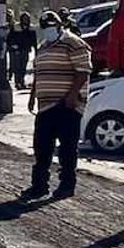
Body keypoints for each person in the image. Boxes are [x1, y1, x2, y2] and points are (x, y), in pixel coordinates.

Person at [21, 11, 92, 200]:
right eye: (45, 27)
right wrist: (32, 95)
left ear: (60, 26)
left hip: (67, 105)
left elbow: (83, 72)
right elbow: (38, 73)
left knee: (67, 148)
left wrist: (72, 96)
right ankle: (39, 185)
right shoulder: (43, 46)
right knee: (41, 147)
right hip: (45, 106)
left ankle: (67, 185)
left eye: (51, 27)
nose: (48, 31)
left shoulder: (74, 43)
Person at [6, 12, 37, 90]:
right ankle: (17, 83)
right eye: (24, 18)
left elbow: (34, 41)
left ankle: (22, 82)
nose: (25, 20)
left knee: (23, 67)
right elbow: (10, 38)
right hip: (17, 50)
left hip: (25, 50)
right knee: (17, 67)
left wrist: (36, 51)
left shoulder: (31, 28)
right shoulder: (16, 27)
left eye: (27, 19)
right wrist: (12, 46)